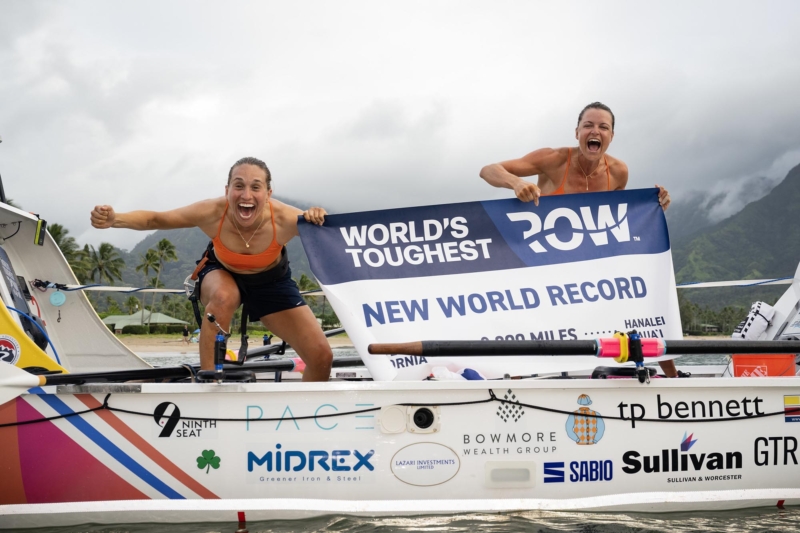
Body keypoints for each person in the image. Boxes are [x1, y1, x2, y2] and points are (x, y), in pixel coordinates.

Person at [480, 102, 680, 378]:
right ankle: (514, 384)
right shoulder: (553, 159)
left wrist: (656, 204)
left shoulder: (619, 172)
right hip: (541, 266)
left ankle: (673, 378)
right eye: (588, 125)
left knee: (639, 297)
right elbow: (489, 169)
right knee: (524, 325)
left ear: (611, 136)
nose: (594, 131)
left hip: (587, 269)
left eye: (603, 127)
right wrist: (516, 183)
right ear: (577, 132)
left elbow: (622, 220)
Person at [91, 156, 333, 382]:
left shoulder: (287, 218)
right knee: (222, 296)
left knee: (322, 357)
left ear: (268, 193)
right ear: (227, 191)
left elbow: (336, 237)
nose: (246, 195)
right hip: (221, 272)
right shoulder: (211, 212)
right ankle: (208, 383)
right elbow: (156, 219)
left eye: (255, 187)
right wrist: (116, 219)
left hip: (271, 281)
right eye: (238, 186)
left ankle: (309, 413)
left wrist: (319, 217)